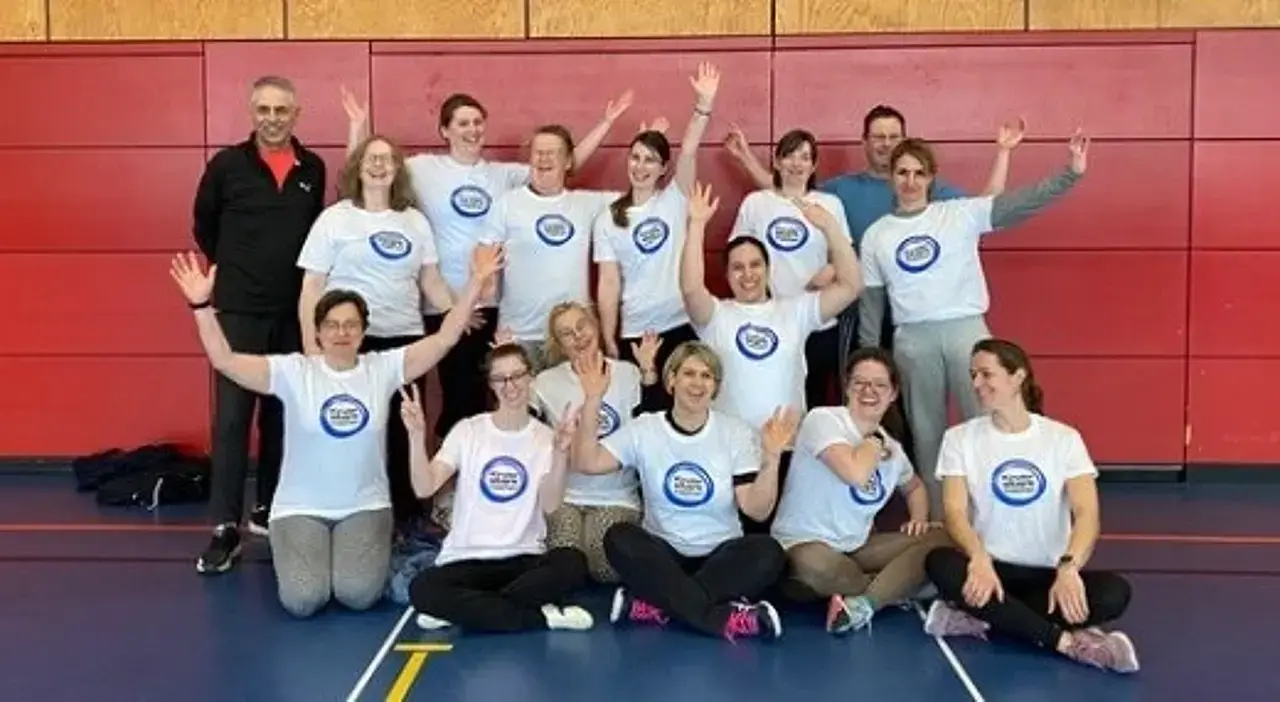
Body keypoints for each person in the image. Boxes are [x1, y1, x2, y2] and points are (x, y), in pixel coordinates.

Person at [167, 241, 502, 617]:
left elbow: (444, 338)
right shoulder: (294, 372)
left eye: (351, 325)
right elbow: (225, 360)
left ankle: (353, 553)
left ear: (362, 332)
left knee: (356, 595)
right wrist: (201, 306)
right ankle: (316, 552)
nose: (342, 333)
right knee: (304, 601)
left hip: (365, 506)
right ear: (319, 332)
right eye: (332, 325)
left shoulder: (382, 368)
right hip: (299, 509)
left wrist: (476, 283)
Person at [341, 87, 631, 446]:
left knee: (499, 397)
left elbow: (556, 166)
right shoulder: (422, 168)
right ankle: (454, 481)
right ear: (444, 130)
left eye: (478, 122)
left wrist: (605, 123)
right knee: (459, 399)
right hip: (447, 306)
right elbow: (369, 169)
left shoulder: (503, 176)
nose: (472, 129)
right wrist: (358, 125)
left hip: (496, 308)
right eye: (462, 122)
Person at [859, 131, 1087, 518]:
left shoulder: (959, 213)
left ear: (932, 177)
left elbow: (1019, 204)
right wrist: (868, 359)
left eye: (918, 172)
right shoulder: (877, 235)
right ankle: (936, 520)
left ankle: (991, 515)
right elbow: (871, 304)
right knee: (927, 435)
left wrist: (1069, 174)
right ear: (891, 177)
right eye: (902, 172)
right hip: (913, 340)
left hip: (967, 333)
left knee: (987, 421)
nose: (910, 181)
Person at [922, 338, 1139, 674]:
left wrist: (1068, 568)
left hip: (1048, 577)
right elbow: (953, 511)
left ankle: (982, 619)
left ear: (1017, 376)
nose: (976, 384)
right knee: (940, 563)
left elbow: (1086, 513)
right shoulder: (959, 439)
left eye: (986, 374)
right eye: (973, 375)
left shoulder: (1064, 439)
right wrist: (978, 558)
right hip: (989, 572)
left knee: (1114, 593)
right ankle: (1068, 644)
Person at [571, 342, 798, 642]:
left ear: (715, 387)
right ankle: (717, 618)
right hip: (664, 554)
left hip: (720, 556)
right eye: (689, 373)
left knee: (768, 553)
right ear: (671, 380)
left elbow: (756, 510)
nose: (698, 383)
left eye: (707, 376)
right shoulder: (645, 429)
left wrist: (771, 458)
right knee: (619, 536)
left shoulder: (735, 433)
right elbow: (587, 462)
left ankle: (658, 605)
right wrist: (592, 399)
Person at [191, 75, 327, 574]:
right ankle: (225, 528)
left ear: (297, 114)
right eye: (264, 109)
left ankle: (269, 508)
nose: (272, 118)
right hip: (239, 314)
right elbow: (203, 224)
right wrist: (236, 271)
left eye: (281, 110)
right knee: (231, 421)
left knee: (281, 418)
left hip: (293, 314)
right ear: (252, 113)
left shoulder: (313, 167)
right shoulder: (227, 166)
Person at [680, 180, 861, 532]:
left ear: (767, 269)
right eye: (737, 267)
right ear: (728, 275)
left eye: (755, 265)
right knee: (739, 533)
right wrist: (697, 224)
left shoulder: (795, 311)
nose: (747, 274)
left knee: (783, 538)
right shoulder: (716, 315)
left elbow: (852, 285)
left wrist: (830, 229)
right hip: (732, 450)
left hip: (788, 446)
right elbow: (690, 288)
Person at [296, 134, 454, 533]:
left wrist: (459, 311)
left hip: (405, 340)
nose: (380, 165)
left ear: (398, 169)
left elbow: (431, 280)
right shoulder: (335, 218)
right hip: (349, 344)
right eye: (372, 158)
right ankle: (350, 511)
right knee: (356, 429)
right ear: (358, 167)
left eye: (388, 159)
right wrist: (310, 343)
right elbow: (312, 287)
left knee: (405, 431)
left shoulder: (413, 220)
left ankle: (405, 516)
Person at [404, 344, 594, 634]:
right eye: (501, 379)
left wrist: (559, 453)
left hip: (524, 559)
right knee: (422, 589)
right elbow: (424, 486)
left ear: (530, 378)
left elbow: (550, 505)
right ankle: (540, 617)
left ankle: (466, 610)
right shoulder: (468, 430)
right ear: (491, 384)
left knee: (573, 563)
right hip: (466, 559)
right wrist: (417, 437)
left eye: (517, 375)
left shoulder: (546, 437)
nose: (511, 386)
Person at [771, 347, 951, 635]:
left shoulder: (894, 449)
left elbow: (914, 485)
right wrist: (872, 444)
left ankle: (867, 601)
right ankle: (900, 585)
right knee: (818, 567)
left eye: (880, 385)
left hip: (856, 548)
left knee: (944, 536)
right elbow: (855, 473)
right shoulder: (825, 420)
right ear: (848, 387)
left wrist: (919, 516)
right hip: (804, 545)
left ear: (893, 394)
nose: (869, 391)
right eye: (860, 383)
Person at [594, 64, 719, 407]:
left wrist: (704, 103)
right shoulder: (608, 218)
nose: (640, 166)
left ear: (664, 168)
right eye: (635, 157)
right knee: (644, 411)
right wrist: (609, 337)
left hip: (681, 322)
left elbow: (690, 149)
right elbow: (608, 284)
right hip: (636, 329)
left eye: (650, 160)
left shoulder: (675, 199)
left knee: (685, 409)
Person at [532, 302, 664, 583]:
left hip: (616, 497)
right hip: (565, 497)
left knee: (604, 569)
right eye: (567, 333)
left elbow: (655, 426)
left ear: (595, 326)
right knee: (567, 564)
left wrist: (649, 371)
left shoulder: (628, 374)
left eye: (582, 326)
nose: (578, 336)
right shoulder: (545, 382)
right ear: (559, 344)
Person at [481, 123, 628, 370]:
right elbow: (484, 263)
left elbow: (640, 201)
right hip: (519, 334)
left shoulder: (587, 204)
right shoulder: (507, 204)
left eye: (552, 152)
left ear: (568, 161)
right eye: (538, 152)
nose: (543, 158)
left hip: (572, 336)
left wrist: (651, 144)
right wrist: (478, 303)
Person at [729, 129, 853, 409]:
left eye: (804, 157)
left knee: (817, 402)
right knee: (773, 399)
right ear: (776, 161)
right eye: (790, 156)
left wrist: (831, 271)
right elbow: (737, 256)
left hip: (818, 321)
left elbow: (845, 256)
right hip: (771, 319)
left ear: (814, 165)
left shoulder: (829, 205)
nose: (797, 164)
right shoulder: (756, 204)